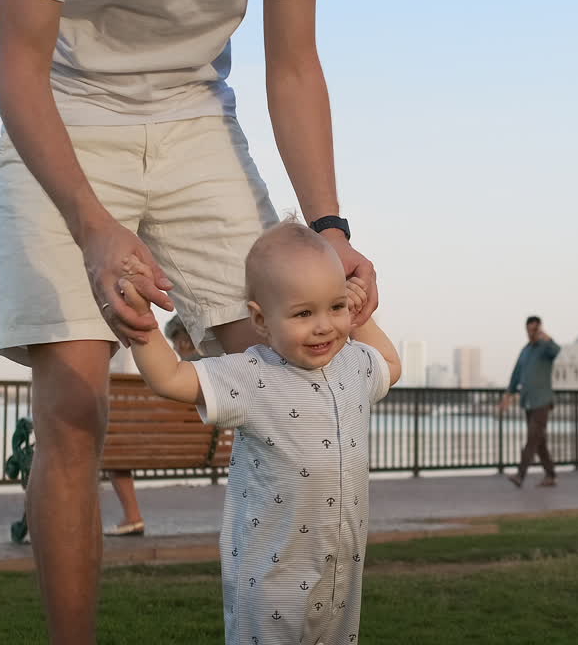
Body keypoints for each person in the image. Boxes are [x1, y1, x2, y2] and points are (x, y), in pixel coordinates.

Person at [0, 0, 376, 641]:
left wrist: (330, 230)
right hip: (66, 112)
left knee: (300, 382)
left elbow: (295, 65)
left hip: (200, 121)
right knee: (70, 407)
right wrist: (92, 226)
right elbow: (18, 64)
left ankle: (289, 626)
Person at [122, 222, 401, 644]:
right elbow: (172, 377)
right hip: (274, 579)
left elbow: (391, 365)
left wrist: (363, 317)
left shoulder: (355, 364)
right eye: (304, 313)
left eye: (336, 307)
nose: (324, 325)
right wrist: (141, 319)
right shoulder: (253, 374)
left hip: (340, 577)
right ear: (261, 320)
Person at [104, 316, 200, 537]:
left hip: (158, 447)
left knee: (114, 451)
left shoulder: (174, 378)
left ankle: (132, 516)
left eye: (175, 342)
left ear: (184, 342)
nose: (175, 347)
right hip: (204, 450)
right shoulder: (216, 369)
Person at [499, 316, 562, 488]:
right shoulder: (525, 351)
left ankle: (520, 475)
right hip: (528, 402)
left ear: (540, 328)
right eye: (529, 330)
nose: (531, 333)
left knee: (532, 438)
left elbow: (557, 352)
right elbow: (516, 374)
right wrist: (507, 396)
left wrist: (547, 338)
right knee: (539, 442)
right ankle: (550, 475)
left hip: (542, 401)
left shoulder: (545, 348)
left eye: (535, 329)